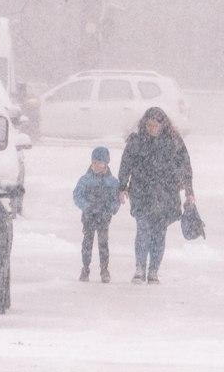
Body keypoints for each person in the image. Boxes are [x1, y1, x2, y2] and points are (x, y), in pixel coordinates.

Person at [117, 106, 194, 284]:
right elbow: (125, 164)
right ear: (145, 124)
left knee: (159, 233)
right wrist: (122, 187)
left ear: (162, 125)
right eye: (149, 125)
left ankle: (153, 270)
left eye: (155, 125)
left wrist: (189, 192)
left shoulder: (173, 141)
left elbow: (185, 167)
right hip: (141, 192)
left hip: (166, 194)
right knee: (143, 229)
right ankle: (140, 268)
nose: (152, 129)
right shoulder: (136, 141)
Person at [72, 146, 121, 283]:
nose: (97, 166)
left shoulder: (112, 182)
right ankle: (85, 268)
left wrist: (111, 209)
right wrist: (87, 207)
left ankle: (104, 269)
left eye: (100, 163)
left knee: (103, 243)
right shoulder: (85, 180)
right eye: (94, 163)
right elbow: (77, 195)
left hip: (104, 217)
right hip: (89, 217)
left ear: (106, 163)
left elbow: (115, 199)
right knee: (87, 243)